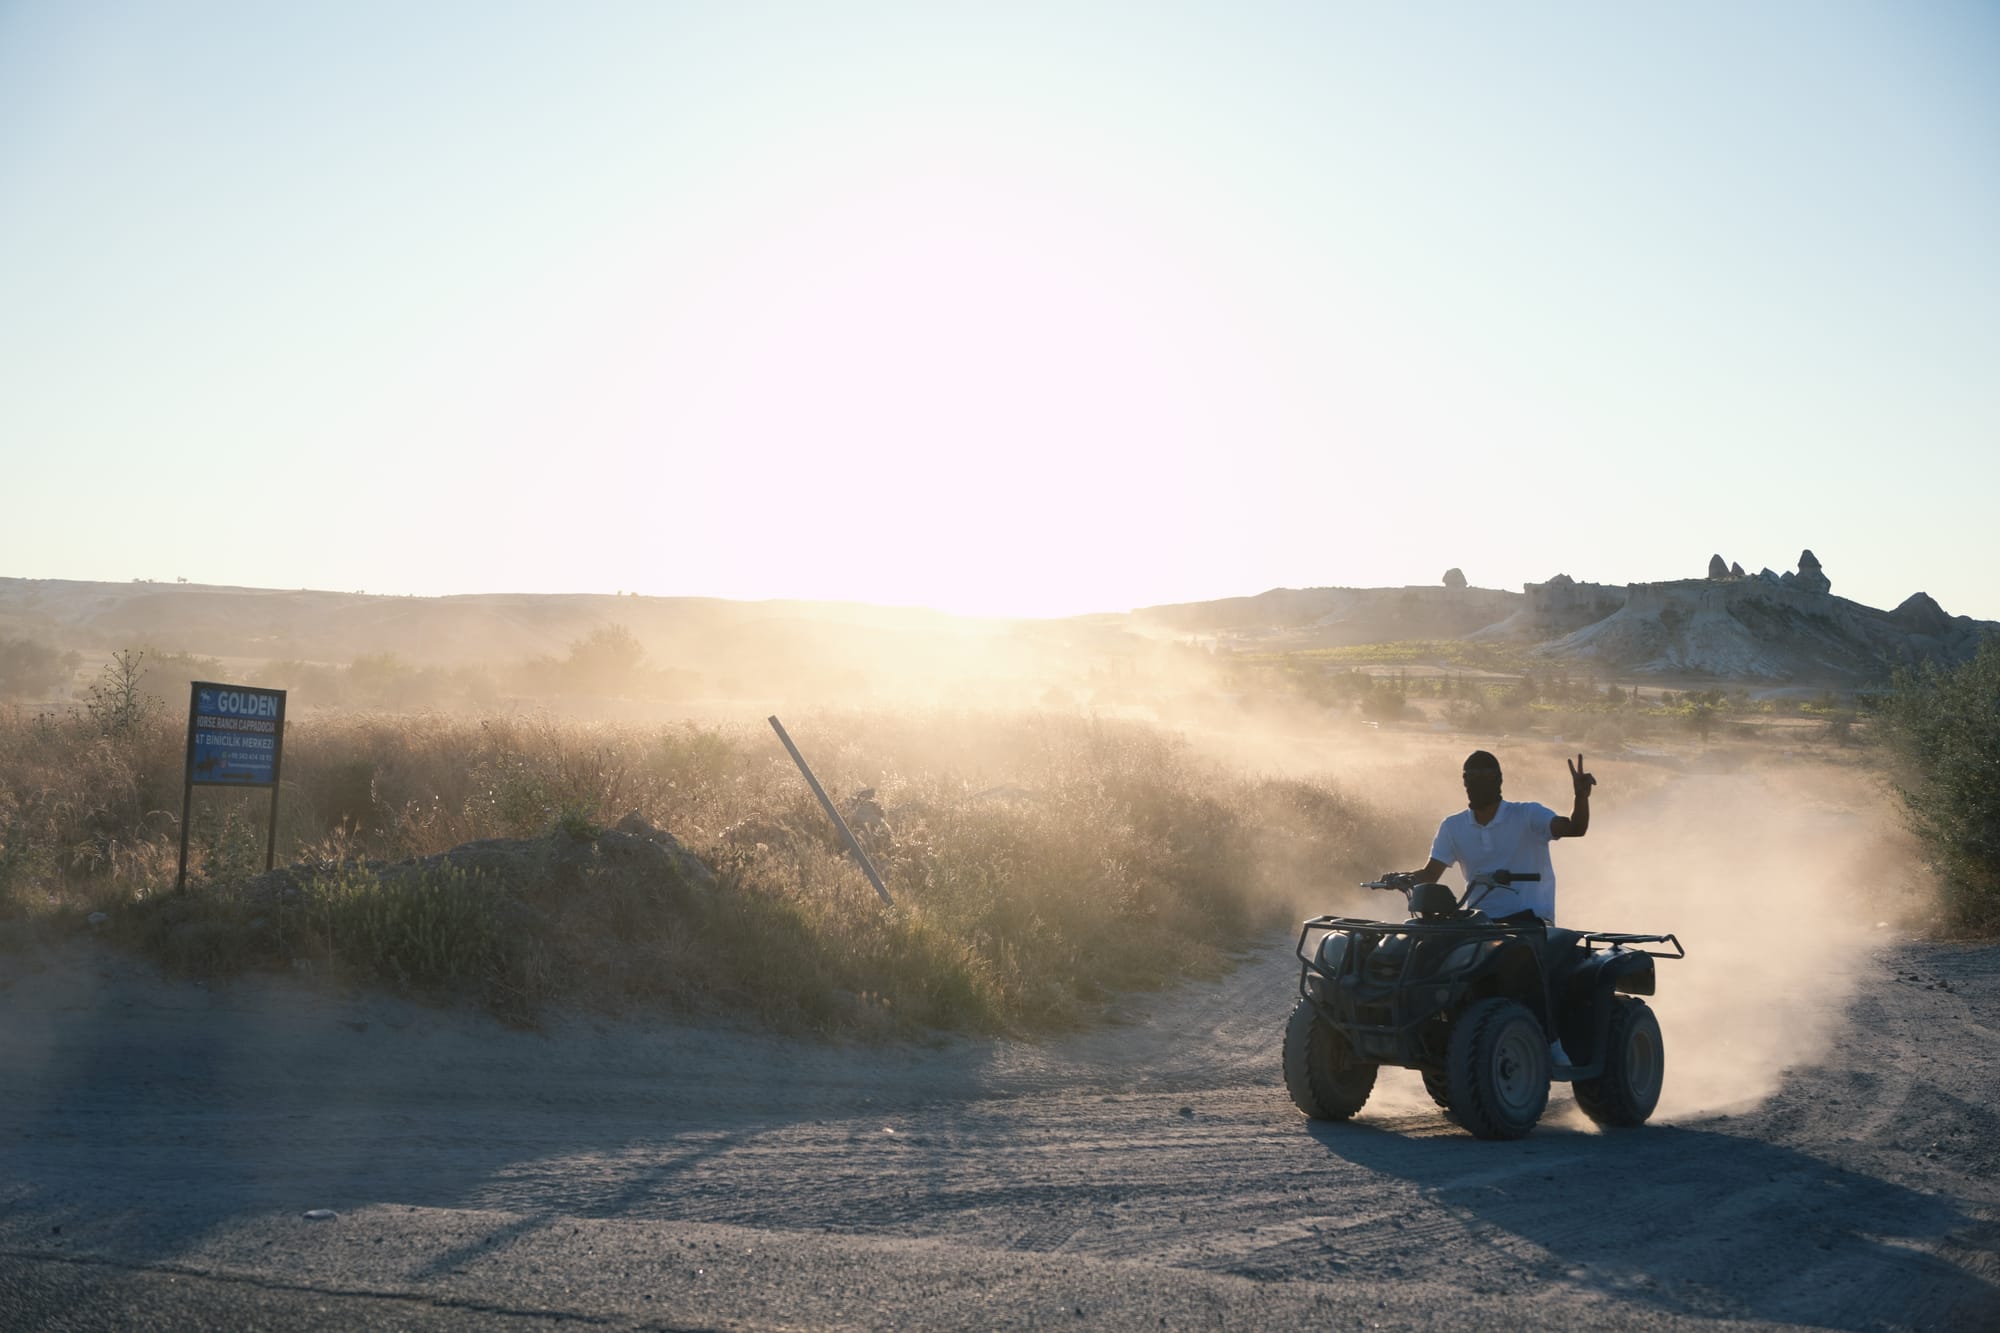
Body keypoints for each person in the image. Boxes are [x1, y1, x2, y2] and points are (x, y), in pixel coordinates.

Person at [1401, 750, 1594, 925]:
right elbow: (1429, 875)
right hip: (1478, 924)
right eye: (1471, 777)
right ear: (1464, 782)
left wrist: (1581, 797)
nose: (1477, 783)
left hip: (1530, 923)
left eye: (1485, 776)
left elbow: (1575, 828)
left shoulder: (1528, 815)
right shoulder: (1452, 826)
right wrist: (1400, 878)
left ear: (1499, 780)